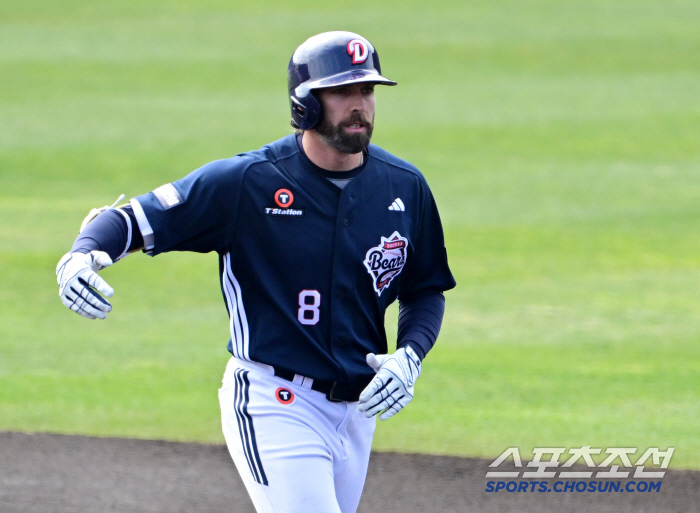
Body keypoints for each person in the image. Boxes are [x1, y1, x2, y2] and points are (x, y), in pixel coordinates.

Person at [55, 31, 456, 513]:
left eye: (367, 91)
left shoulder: (404, 186)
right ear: (305, 103)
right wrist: (81, 254)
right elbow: (135, 218)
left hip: (356, 415)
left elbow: (426, 287)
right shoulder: (248, 182)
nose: (360, 106)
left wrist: (410, 355)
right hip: (273, 403)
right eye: (342, 92)